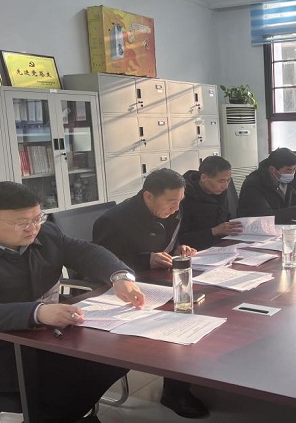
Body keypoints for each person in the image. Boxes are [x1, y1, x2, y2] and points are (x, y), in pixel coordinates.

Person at [0, 182, 145, 422]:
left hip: (48, 336)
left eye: (37, 218)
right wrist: (37, 313)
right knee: (66, 381)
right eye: (22, 222)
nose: (32, 229)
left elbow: (86, 252)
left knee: (119, 356)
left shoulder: (47, 233)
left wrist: (120, 277)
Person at [92, 168, 207, 419]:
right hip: (126, 291)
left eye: (180, 201)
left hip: (159, 282)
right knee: (180, 321)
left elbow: (169, 241)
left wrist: (180, 249)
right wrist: (146, 260)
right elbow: (101, 264)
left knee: (196, 307)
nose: (176, 208)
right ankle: (175, 392)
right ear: (148, 196)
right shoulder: (114, 220)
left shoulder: (172, 209)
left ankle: (191, 374)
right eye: (171, 201)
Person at [238, 147, 296, 223]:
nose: (292, 173)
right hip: (253, 228)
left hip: (280, 225)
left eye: (294, 169)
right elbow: (266, 215)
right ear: (272, 169)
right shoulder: (254, 183)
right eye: (288, 170)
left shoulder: (284, 180)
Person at [180, 156, 243, 250]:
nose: (225, 186)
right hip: (197, 250)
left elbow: (226, 218)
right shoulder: (184, 197)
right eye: (221, 181)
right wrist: (214, 231)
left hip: (224, 246)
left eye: (228, 180)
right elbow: (181, 238)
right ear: (204, 177)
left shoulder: (220, 192)